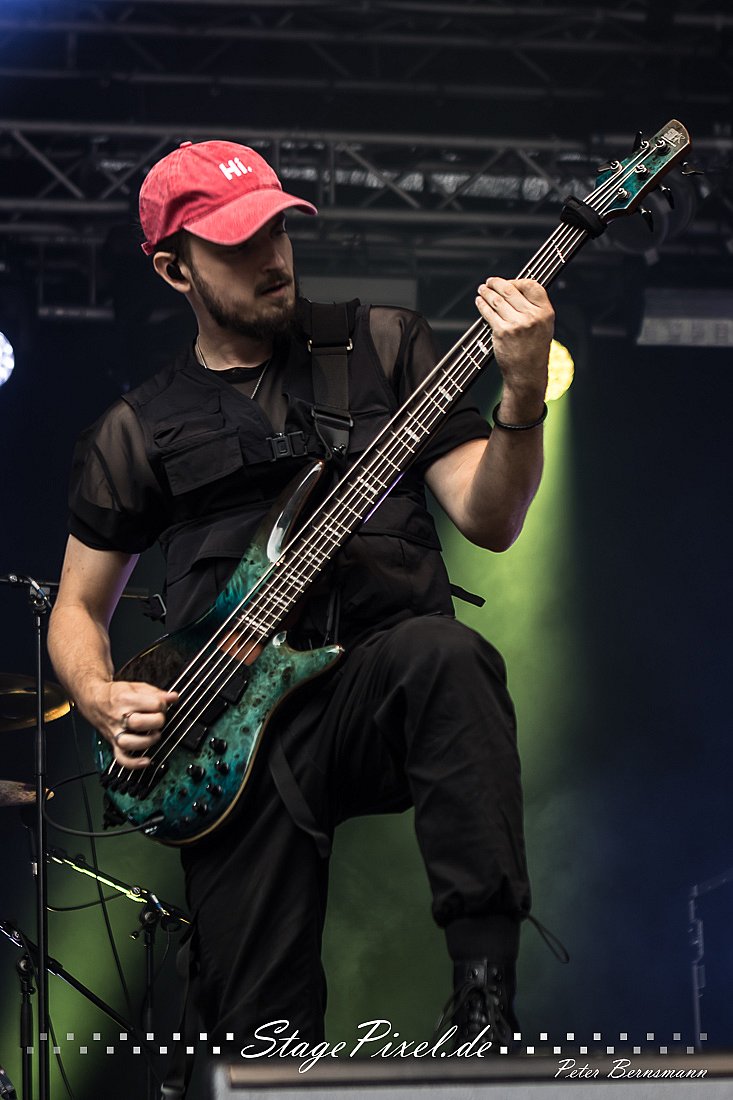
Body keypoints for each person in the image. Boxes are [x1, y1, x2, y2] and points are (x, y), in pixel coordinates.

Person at [47, 140, 554, 1058]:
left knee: (447, 655)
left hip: (374, 683)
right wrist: (100, 696)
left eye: (275, 230)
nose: (271, 256)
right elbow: (77, 608)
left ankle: (483, 997)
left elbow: (490, 519)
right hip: (227, 740)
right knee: (257, 1036)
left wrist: (521, 391)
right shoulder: (139, 428)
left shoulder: (383, 345)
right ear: (173, 269)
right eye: (236, 243)